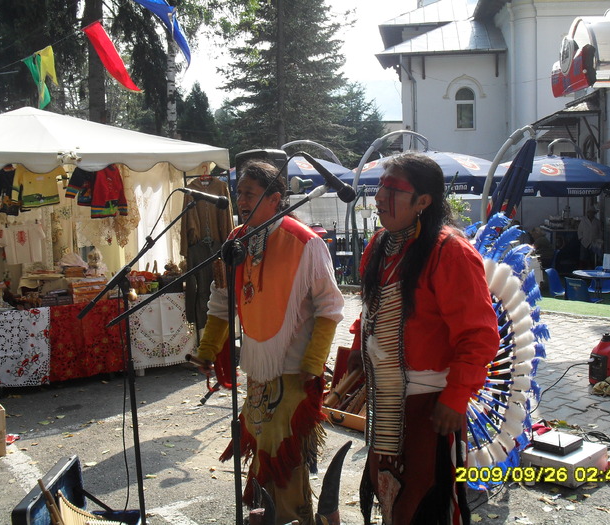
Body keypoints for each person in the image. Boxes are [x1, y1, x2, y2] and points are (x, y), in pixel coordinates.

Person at [347, 153, 499, 525]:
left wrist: (456, 395)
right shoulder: (381, 244)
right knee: (389, 493)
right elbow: (371, 312)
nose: (381, 197)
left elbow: (479, 335)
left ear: (424, 201)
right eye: (380, 187)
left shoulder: (451, 252)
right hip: (386, 400)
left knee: (422, 500)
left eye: (394, 189)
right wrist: (356, 356)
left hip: (430, 405)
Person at [192, 160, 345, 525]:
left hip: (294, 367)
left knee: (283, 451)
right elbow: (222, 300)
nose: (240, 200)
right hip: (259, 368)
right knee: (262, 445)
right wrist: (207, 349)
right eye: (238, 192)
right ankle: (271, 518)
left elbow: (331, 306)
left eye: (249, 193)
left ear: (275, 198)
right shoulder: (236, 241)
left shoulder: (305, 242)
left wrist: (311, 364)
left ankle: (293, 519)